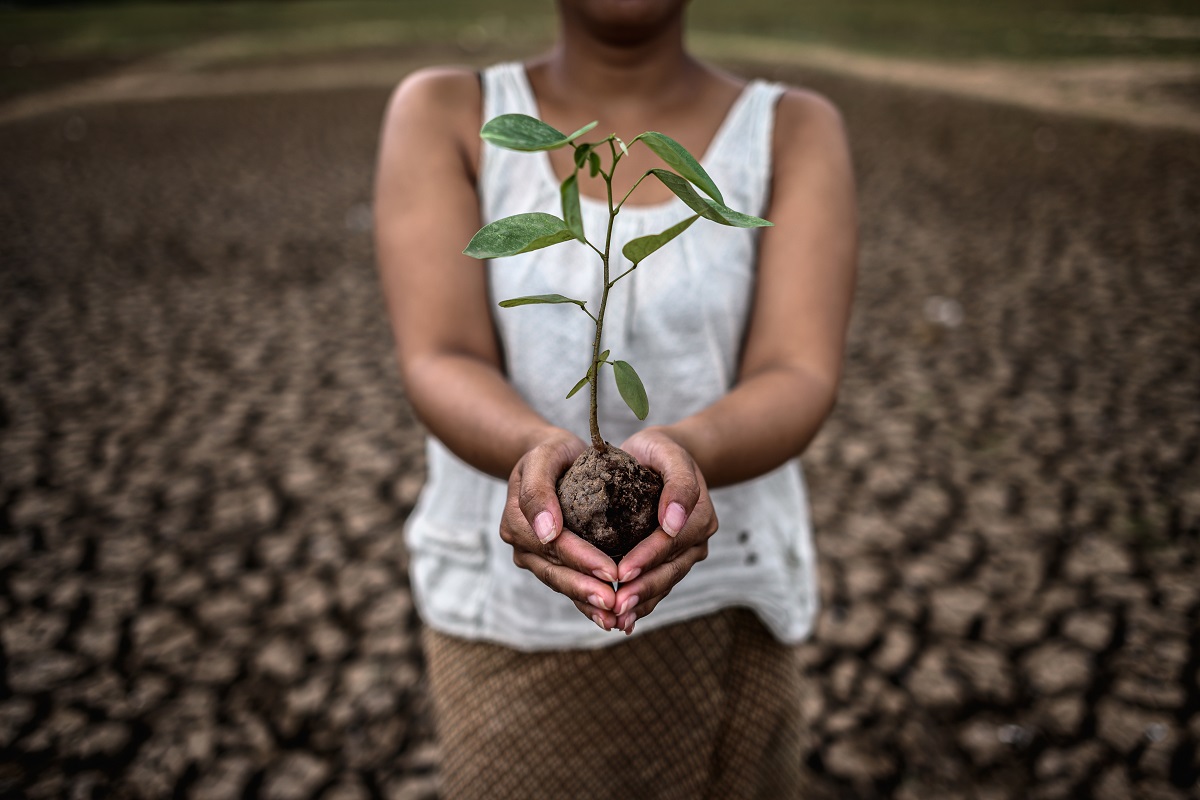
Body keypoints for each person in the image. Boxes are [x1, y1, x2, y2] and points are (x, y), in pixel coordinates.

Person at [373, 1, 856, 796]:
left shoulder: (790, 128)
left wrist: (689, 451)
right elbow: (439, 354)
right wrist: (539, 455)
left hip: (726, 601)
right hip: (511, 625)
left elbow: (798, 371)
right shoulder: (449, 111)